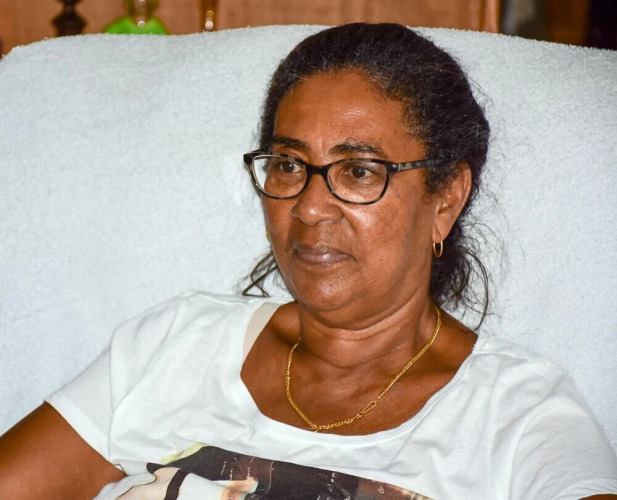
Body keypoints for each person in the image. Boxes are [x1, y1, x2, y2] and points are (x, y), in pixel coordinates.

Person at [0, 23, 616, 499]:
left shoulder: (519, 415)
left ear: (445, 199)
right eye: (289, 164)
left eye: (359, 171)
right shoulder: (176, 345)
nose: (309, 207)